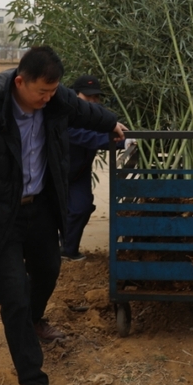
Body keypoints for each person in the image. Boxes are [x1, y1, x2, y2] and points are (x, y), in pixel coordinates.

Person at [0, 47, 126, 385]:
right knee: (13, 294)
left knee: (49, 269)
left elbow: (84, 109)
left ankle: (35, 320)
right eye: (41, 92)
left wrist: (111, 122)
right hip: (0, 215)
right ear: (20, 82)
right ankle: (34, 383)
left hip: (38, 209)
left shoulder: (55, 100)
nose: (47, 99)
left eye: (52, 92)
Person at [61, 75, 127, 262]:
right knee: (47, 212)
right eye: (87, 96)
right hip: (55, 171)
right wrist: (119, 142)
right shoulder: (66, 113)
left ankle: (67, 249)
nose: (92, 101)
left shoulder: (98, 116)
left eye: (96, 97)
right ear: (75, 95)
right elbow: (84, 137)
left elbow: (107, 128)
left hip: (79, 171)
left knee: (81, 207)